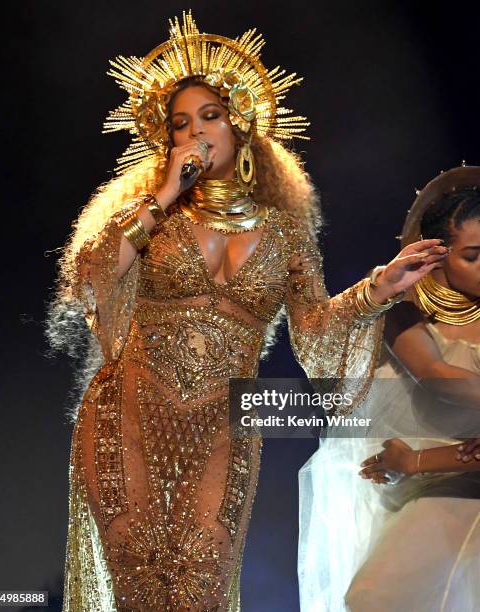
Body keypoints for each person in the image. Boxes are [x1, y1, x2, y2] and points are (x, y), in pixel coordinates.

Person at [46, 12, 447, 611]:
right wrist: (162, 195)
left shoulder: (285, 235)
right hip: (128, 412)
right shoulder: (155, 217)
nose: (197, 133)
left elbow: (313, 332)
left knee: (200, 584)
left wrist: (380, 287)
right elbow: (94, 276)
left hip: (225, 426)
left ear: (241, 123)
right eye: (181, 125)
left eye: (209, 116)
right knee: (141, 584)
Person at [298, 165, 480, 612]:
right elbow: (436, 379)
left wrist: (417, 461)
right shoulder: (405, 314)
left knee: (378, 599)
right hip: (434, 487)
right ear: (438, 257)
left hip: (458, 488)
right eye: (473, 256)